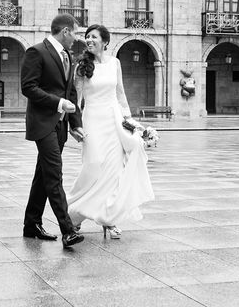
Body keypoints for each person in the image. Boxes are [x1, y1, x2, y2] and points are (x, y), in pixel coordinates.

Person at [67, 24, 154, 239]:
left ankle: (109, 219)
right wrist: (74, 124)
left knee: (113, 171)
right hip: (92, 120)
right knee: (93, 166)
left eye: (94, 37)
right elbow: (76, 99)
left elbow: (120, 94)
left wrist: (130, 121)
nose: (89, 40)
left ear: (105, 41)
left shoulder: (115, 63)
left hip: (114, 120)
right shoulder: (82, 66)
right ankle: (74, 215)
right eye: (87, 37)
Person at [21, 14, 85, 249]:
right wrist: (58, 104)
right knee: (55, 175)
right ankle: (68, 231)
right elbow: (28, 87)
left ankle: (31, 224)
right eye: (76, 33)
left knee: (43, 176)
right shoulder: (36, 52)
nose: (77, 38)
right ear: (65, 31)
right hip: (42, 123)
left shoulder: (67, 55)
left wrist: (76, 123)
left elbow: (71, 93)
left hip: (60, 126)